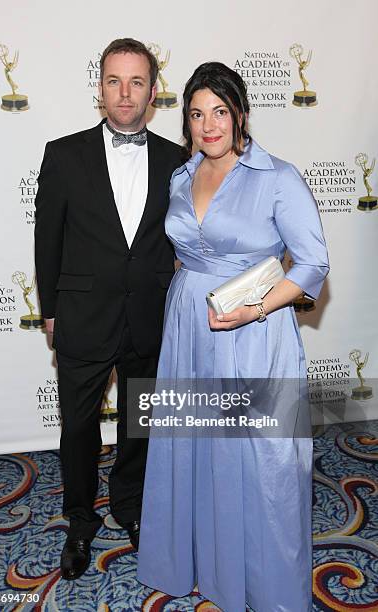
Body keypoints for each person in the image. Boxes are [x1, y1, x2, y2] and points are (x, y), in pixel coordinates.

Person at [137, 62, 329, 611]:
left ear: (240, 113)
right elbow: (185, 250)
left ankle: (267, 586)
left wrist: (252, 310)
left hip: (255, 334)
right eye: (196, 114)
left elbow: (313, 265)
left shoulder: (278, 177)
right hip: (189, 331)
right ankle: (195, 562)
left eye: (219, 112)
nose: (208, 125)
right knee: (191, 448)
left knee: (263, 461)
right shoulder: (181, 175)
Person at [34, 38, 184, 581]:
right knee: (77, 427)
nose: (126, 93)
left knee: (139, 422)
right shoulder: (63, 153)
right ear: (99, 88)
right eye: (115, 81)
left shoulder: (176, 159)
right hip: (81, 315)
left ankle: (132, 506)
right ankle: (80, 519)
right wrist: (49, 309)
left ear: (153, 91)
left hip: (149, 314)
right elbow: (47, 239)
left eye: (137, 81)